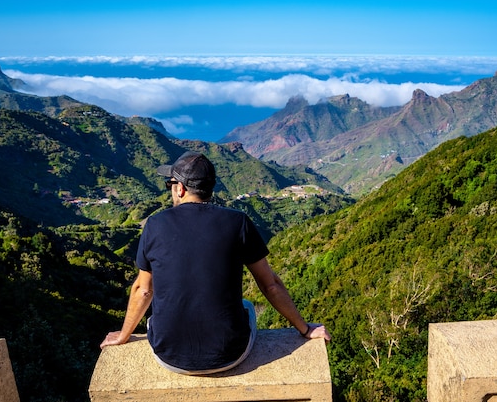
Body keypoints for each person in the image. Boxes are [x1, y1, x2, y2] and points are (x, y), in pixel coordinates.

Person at [100, 151, 331, 374]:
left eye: (170, 184)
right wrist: (305, 329)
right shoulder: (238, 222)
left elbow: (143, 290)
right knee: (247, 305)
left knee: (156, 317)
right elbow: (270, 285)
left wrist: (123, 335)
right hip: (230, 355)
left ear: (180, 188)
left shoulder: (154, 225)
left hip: (169, 357)